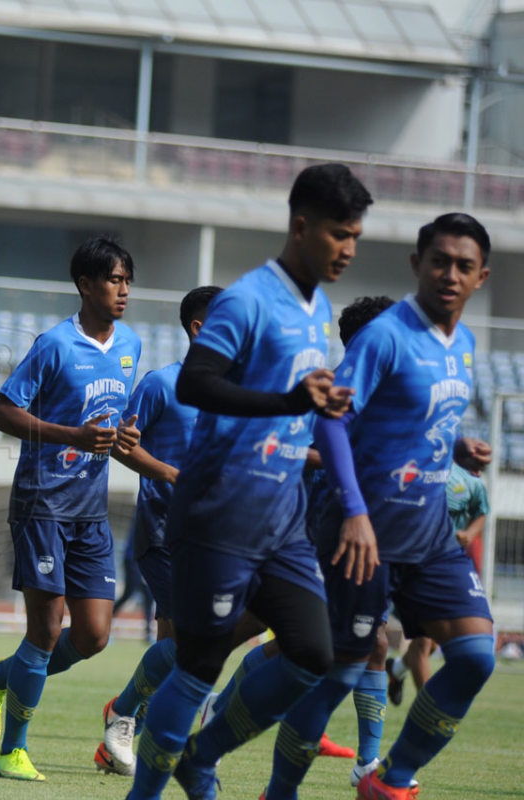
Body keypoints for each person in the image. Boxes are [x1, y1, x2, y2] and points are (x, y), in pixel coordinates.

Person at [125, 163, 368, 800]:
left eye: (356, 237)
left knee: (315, 652)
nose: (348, 249)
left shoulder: (317, 312)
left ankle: (201, 755)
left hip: (282, 521)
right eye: (339, 234)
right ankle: (144, 792)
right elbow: (194, 383)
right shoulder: (248, 299)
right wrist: (291, 401)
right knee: (199, 663)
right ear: (301, 226)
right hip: (217, 511)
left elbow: (297, 404)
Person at [264, 213, 495, 800]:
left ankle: (386, 778)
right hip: (349, 532)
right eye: (439, 261)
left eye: (463, 266)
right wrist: (355, 507)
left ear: (481, 277)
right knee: (329, 664)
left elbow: (415, 421)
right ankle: (266, 775)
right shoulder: (380, 341)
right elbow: (323, 430)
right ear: (417, 265)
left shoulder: (461, 345)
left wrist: (456, 445)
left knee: (471, 654)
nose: (450, 274)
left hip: (424, 533)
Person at [0, 236, 143, 782]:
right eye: (113, 280)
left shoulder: (132, 344)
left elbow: (112, 420)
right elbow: (0, 412)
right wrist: (70, 433)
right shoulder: (54, 345)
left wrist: (124, 438)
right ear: (85, 285)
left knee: (93, 635)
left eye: (127, 280)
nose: (123, 290)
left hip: (89, 511)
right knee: (46, 628)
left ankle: (1, 674)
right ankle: (12, 752)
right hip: (42, 503)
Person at [94, 285, 224, 777]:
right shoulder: (162, 385)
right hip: (166, 531)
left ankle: (127, 739)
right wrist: (170, 473)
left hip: (217, 539)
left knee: (176, 649)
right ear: (199, 329)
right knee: (195, 643)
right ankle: (123, 713)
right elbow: (121, 445)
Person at [386, 461, 490, 705]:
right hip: (414, 569)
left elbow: (481, 511)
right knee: (423, 643)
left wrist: (470, 534)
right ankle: (430, 712)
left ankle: (398, 668)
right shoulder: (414, 469)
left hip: (448, 569)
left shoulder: (467, 480)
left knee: (432, 643)